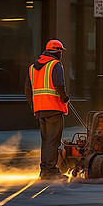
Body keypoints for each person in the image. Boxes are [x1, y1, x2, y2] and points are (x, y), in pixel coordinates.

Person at [25, 39, 69, 180]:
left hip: (39, 110)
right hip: (53, 108)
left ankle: (44, 170)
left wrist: (33, 106)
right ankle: (50, 171)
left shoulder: (32, 67)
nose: (61, 55)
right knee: (53, 141)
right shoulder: (55, 65)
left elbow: (27, 90)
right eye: (61, 51)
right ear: (57, 51)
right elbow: (59, 84)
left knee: (45, 141)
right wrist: (65, 98)